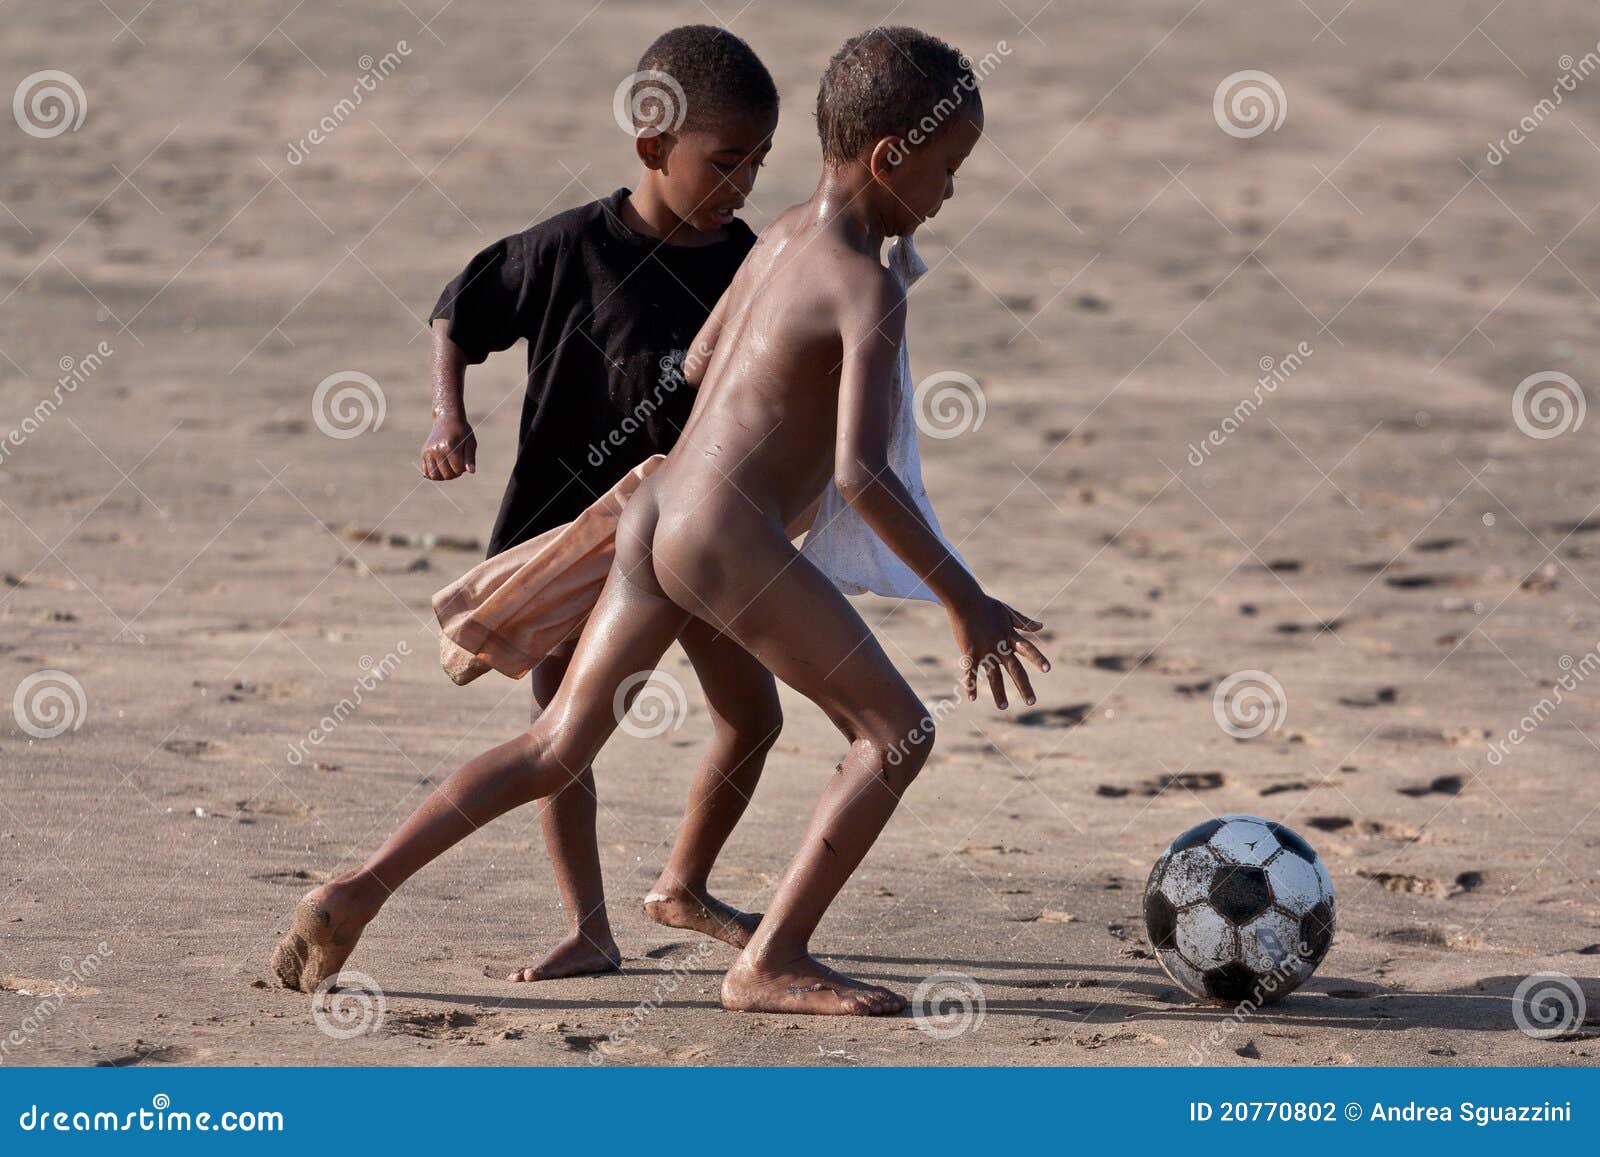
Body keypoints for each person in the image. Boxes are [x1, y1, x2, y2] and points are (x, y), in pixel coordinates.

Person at [276, 25, 1049, 1016]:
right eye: (948, 169)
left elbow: (696, 366)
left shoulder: (776, 238)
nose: (949, 195)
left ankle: (354, 888)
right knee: (894, 730)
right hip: (724, 533)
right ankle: (771, 958)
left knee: (557, 742)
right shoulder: (866, 282)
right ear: (889, 156)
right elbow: (862, 474)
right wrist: (964, 596)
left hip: (657, 503)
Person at [416, 25, 781, 980]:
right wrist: (448, 420)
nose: (743, 182)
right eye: (726, 159)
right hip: (576, 534)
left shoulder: (744, 262)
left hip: (696, 534)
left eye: (760, 162)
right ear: (653, 145)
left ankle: (684, 887)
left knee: (753, 716)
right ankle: (590, 926)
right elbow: (460, 309)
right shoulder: (570, 248)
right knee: (562, 728)